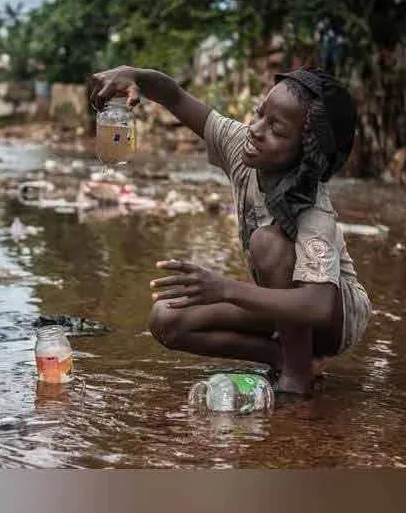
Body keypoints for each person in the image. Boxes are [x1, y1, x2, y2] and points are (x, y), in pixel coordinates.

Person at [90, 65, 372, 397]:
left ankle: (297, 380)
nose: (255, 130)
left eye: (277, 130)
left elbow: (318, 305)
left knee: (268, 242)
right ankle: (285, 358)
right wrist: (133, 75)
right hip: (287, 306)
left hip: (337, 319)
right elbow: (175, 96)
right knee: (166, 319)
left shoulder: (314, 209)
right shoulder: (242, 147)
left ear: (306, 155)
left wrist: (224, 289)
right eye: (260, 115)